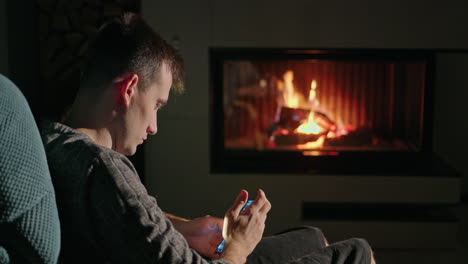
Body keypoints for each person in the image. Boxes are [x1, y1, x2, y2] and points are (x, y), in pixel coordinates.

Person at [40, 13, 375, 264]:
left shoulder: (52, 141)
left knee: (312, 237)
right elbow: (124, 207)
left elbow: (124, 219)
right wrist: (239, 244)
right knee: (357, 253)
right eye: (157, 105)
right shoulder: (105, 169)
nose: (154, 126)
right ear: (129, 89)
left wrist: (186, 229)